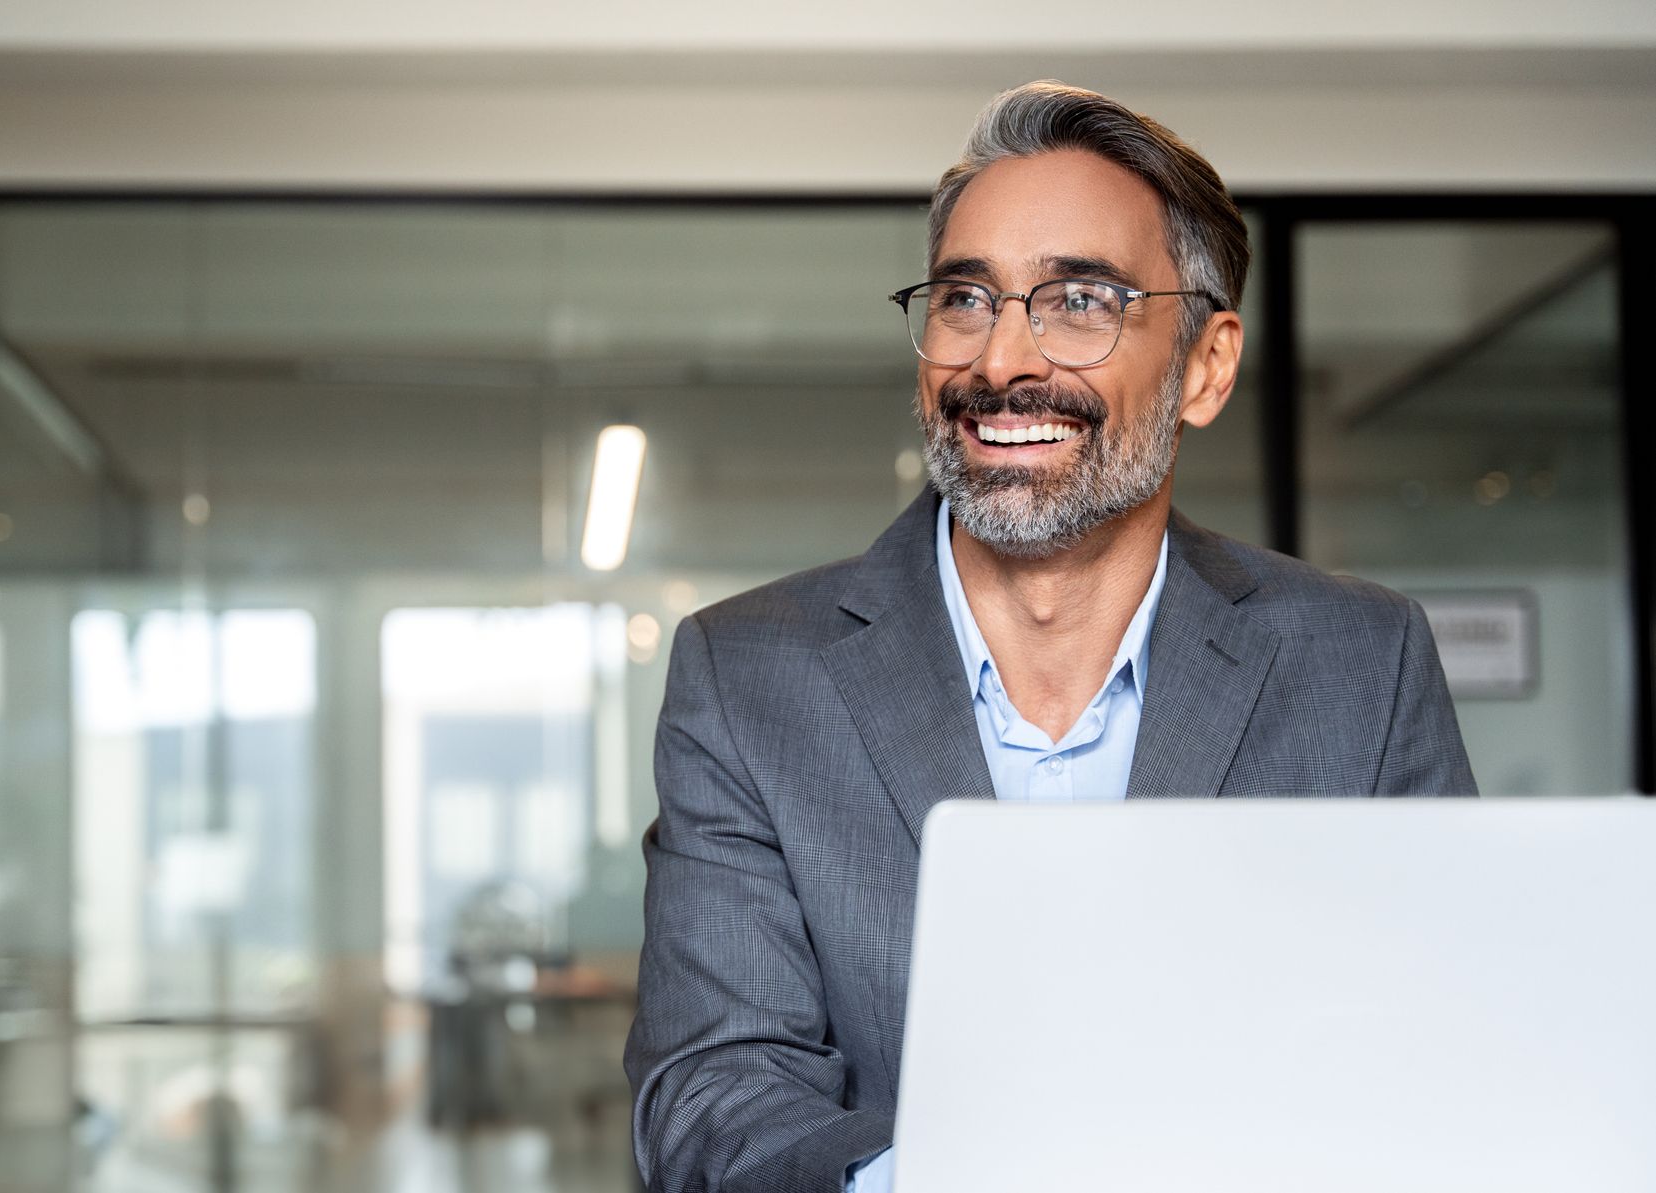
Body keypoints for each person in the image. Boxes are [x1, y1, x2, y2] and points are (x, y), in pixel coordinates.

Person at [623, 80, 1476, 1193]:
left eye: (1079, 300)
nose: (1002, 360)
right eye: (967, 298)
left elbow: (1445, 1052)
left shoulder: (1362, 664)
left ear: (1206, 366)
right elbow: (710, 1095)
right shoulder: (746, 676)